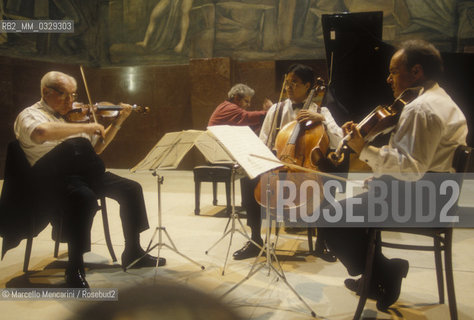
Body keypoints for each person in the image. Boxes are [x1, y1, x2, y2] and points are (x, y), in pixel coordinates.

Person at [323, 40, 468, 310]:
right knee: (357, 208)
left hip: (421, 203)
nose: (388, 79)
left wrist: (364, 150)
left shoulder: (421, 109)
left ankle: (385, 272)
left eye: (394, 71)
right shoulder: (440, 99)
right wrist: (384, 178)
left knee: (330, 218)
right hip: (436, 198)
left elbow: (412, 168)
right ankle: (373, 276)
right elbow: (423, 162)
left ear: (416, 71)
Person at [13, 71, 165, 288]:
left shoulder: (72, 117)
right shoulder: (30, 114)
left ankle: (133, 251)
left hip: (82, 173)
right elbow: (40, 132)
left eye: (73, 95)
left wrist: (118, 122)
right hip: (50, 178)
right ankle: (75, 267)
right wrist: (84, 128)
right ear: (46, 92)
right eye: (65, 95)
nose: (71, 101)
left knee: (131, 188)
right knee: (83, 193)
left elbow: (97, 148)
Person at [232, 64, 344, 261]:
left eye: (295, 83)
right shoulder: (276, 109)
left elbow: (339, 141)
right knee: (248, 179)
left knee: (329, 184)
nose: (289, 87)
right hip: (278, 165)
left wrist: (322, 120)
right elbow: (264, 140)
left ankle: (322, 243)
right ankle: (256, 239)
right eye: (288, 82)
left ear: (308, 86)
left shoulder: (321, 111)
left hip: (305, 168)